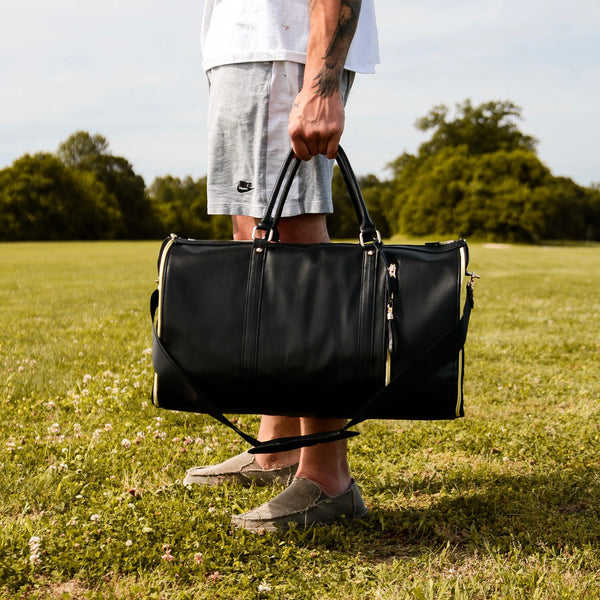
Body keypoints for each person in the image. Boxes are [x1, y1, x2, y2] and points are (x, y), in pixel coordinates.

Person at [183, 0, 379, 532]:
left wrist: (319, 82)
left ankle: (327, 476)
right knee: (257, 244)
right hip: (245, 48)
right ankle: (280, 445)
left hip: (286, 50)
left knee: (292, 258)